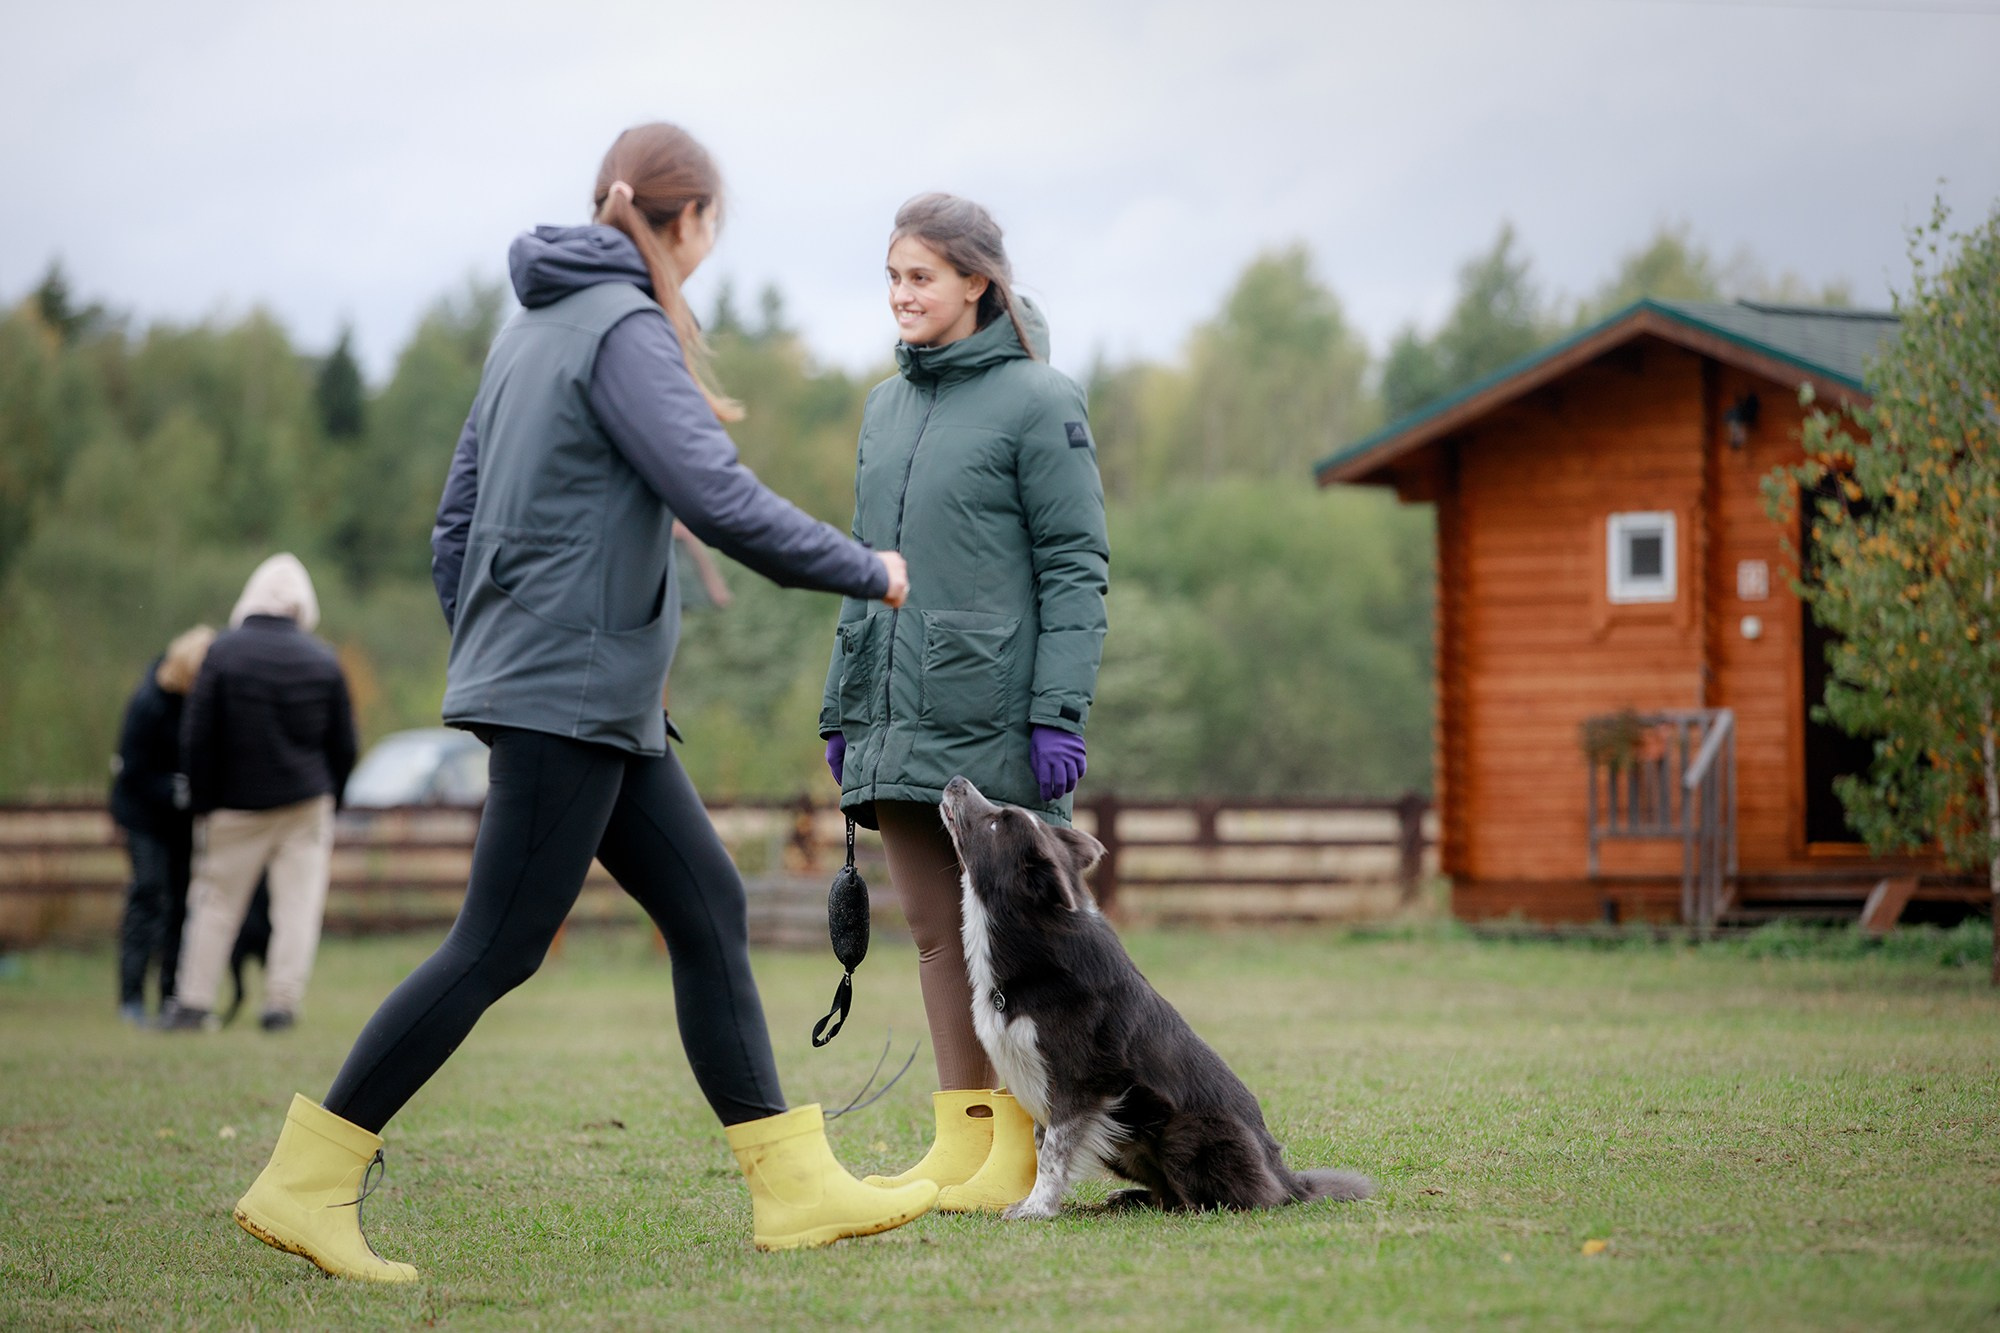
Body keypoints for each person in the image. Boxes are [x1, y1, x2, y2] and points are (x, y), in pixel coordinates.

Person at [232, 122, 934, 1282]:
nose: (710, 246)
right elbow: (712, 494)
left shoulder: (536, 325)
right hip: (572, 688)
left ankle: (792, 1186)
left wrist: (498, 649)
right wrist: (868, 567)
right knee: (496, 944)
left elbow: (451, 522)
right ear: (689, 220)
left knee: (706, 904)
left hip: (581, 689)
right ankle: (305, 1180)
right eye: (713, 226)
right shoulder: (621, 328)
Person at [818, 194, 1109, 1212]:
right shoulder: (880, 409)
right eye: (892, 277)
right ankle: (964, 1142)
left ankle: (1033, 1145)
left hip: (997, 710)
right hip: (896, 714)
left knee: (1023, 943)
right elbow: (863, 572)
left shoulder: (1041, 399)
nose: (900, 295)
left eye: (920, 277)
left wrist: (1056, 711)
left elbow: (1075, 565)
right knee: (937, 936)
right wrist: (840, 707)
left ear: (977, 281)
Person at [161, 554, 356, 1033]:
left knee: (215, 904)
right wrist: (334, 796)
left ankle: (193, 1002)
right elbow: (345, 744)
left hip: (233, 808)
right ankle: (281, 1005)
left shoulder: (223, 653)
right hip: (306, 805)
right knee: (297, 909)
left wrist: (202, 803)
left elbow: (196, 736)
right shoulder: (323, 658)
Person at [110, 625, 215, 1023]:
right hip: (143, 816)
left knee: (182, 903)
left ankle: (172, 992)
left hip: (181, 820)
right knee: (148, 894)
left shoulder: (199, 702)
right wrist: (172, 789)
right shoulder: (149, 702)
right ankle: (131, 996)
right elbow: (131, 770)